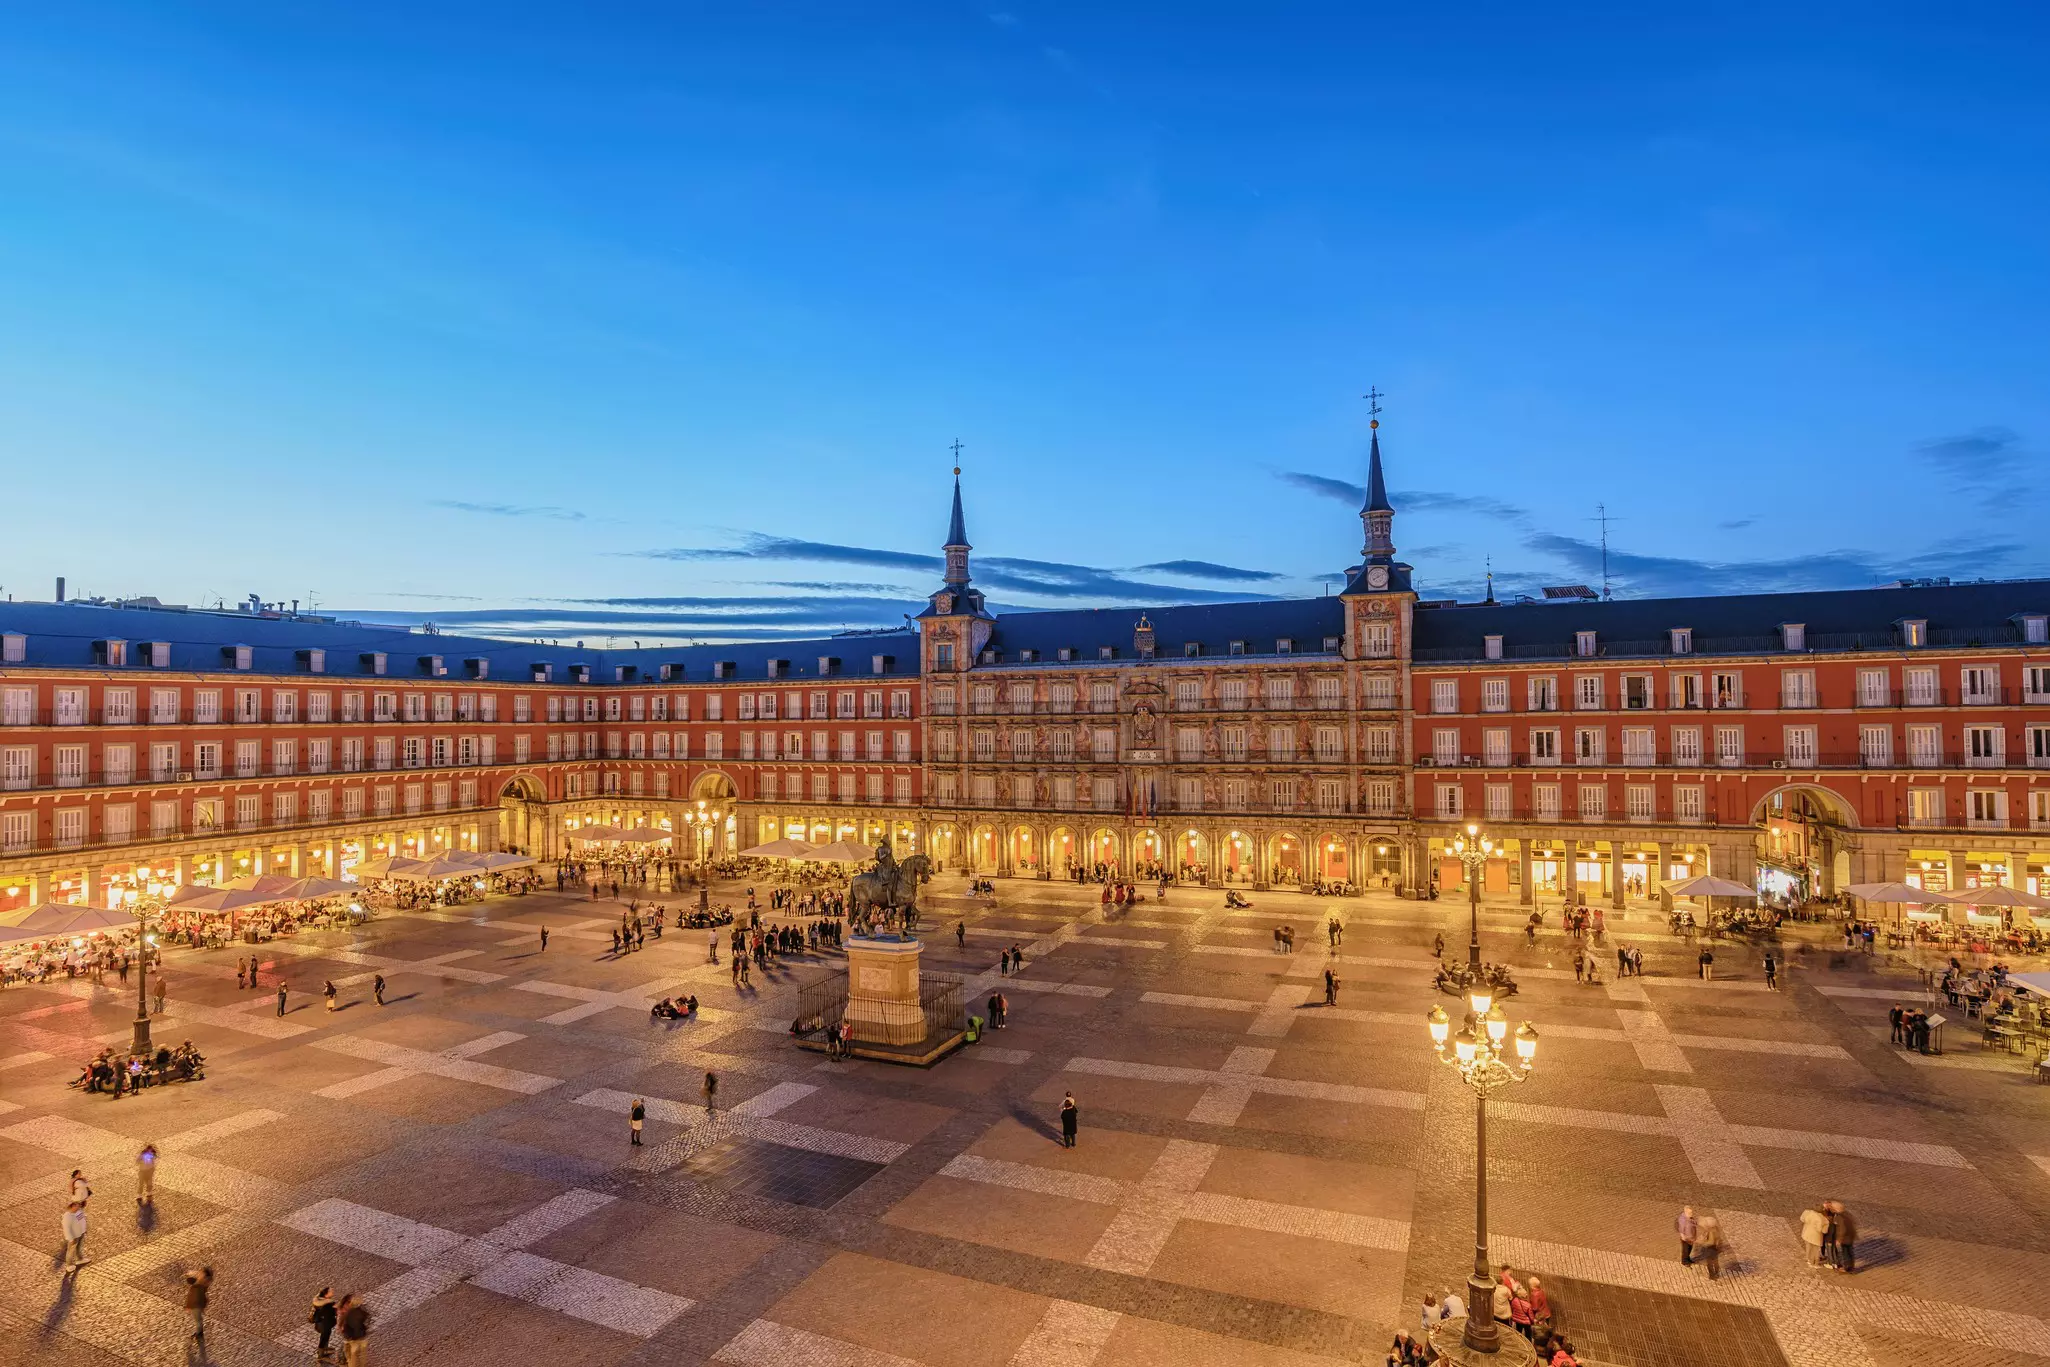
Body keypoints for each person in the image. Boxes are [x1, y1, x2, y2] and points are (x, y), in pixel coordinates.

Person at [338, 1292, 370, 1367]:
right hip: (361, 1335)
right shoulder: (362, 1310)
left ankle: (349, 1363)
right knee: (362, 1353)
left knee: (353, 1354)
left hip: (352, 1337)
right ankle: (361, 1365)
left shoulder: (348, 1313)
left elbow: (341, 1324)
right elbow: (367, 1320)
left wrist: (341, 1328)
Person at [185, 1265, 213, 1344]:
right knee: (199, 1320)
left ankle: (199, 1333)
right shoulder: (202, 1284)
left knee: (198, 1320)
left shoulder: (199, 1286)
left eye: (201, 1273)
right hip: (197, 1305)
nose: (199, 1273)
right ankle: (199, 1332)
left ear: (204, 1276)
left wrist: (189, 1306)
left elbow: (194, 1298)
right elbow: (190, 1279)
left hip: (196, 1306)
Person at [310, 1285, 339, 1363]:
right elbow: (330, 1313)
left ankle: (325, 1349)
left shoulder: (319, 1301)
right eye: (331, 1291)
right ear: (326, 1294)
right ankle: (321, 1354)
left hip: (322, 1323)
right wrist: (335, 1308)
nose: (333, 1292)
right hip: (325, 1324)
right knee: (324, 1337)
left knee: (326, 1335)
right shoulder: (327, 1304)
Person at [1829, 1200, 1858, 1273]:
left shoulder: (1839, 1217)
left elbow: (1842, 1229)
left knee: (1845, 1253)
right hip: (1850, 1236)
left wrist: (1839, 1239)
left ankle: (1847, 1268)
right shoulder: (1847, 1214)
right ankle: (1851, 1267)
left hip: (1845, 1239)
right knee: (1850, 1252)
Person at [61, 1199, 88, 1270]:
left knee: (79, 1247)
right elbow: (67, 1229)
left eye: (79, 1205)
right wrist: (70, 1238)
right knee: (71, 1250)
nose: (78, 1207)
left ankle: (80, 1259)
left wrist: (84, 1230)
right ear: (72, 1206)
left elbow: (82, 1221)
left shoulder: (78, 1212)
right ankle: (69, 1265)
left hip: (80, 1233)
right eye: (76, 1205)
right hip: (74, 1236)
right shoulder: (68, 1216)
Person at [1695, 1212, 1723, 1279]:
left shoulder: (1711, 1232)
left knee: (1710, 1263)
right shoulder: (1714, 1229)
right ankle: (1716, 1273)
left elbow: (1711, 1242)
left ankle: (1712, 1276)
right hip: (1715, 1249)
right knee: (1715, 1262)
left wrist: (1702, 1243)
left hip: (1711, 1249)